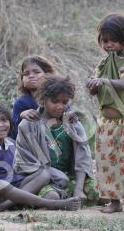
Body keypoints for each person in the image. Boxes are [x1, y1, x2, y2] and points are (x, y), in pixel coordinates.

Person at [86, 13, 124, 213]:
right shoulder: (103, 63)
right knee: (107, 163)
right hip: (106, 123)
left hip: (123, 122)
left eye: (113, 40)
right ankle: (114, 202)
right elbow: (94, 88)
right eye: (105, 41)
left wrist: (103, 81)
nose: (109, 45)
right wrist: (93, 85)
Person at [14, 76, 98, 206]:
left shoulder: (73, 123)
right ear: (42, 100)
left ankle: (71, 197)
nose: (60, 106)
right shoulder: (28, 125)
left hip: (71, 178)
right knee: (51, 196)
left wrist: (79, 189)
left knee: (100, 192)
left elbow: (83, 158)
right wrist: (57, 176)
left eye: (64, 102)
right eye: (55, 101)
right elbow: (26, 162)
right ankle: (58, 200)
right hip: (45, 182)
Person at [11, 56, 55, 140]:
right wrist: (21, 117)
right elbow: (13, 134)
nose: (31, 76)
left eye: (36, 72)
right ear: (22, 80)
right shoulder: (21, 103)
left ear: (48, 75)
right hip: (32, 148)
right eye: (26, 74)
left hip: (59, 145)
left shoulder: (57, 99)